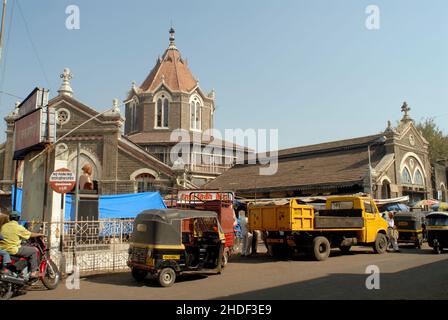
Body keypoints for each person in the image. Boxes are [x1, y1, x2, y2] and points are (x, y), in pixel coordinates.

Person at [0, 211, 44, 278]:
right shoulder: (18, 227)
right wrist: (40, 234)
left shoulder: (4, 226)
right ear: (18, 218)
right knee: (34, 251)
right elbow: (30, 234)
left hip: (3, 248)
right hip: (13, 249)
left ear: (9, 218)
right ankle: (33, 272)